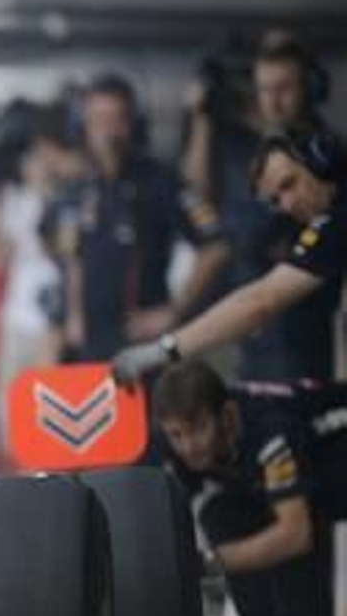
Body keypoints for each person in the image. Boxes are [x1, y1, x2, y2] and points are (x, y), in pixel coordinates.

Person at [151, 359, 346, 616]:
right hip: (313, 470)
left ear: (227, 416)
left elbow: (295, 535)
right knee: (222, 510)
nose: (188, 445)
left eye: (198, 428)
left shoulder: (269, 430)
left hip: (334, 450)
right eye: (176, 434)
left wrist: (207, 563)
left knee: (290, 514)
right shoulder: (180, 451)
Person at [114, 130, 347, 383]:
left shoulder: (337, 222)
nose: (287, 205)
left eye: (289, 183)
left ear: (320, 161)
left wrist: (164, 350)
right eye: (276, 200)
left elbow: (260, 302)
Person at [180, 37, 338, 378]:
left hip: (303, 314)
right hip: (248, 311)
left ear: (309, 89)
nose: (273, 101)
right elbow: (195, 191)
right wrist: (202, 118)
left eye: (284, 88)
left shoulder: (325, 153)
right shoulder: (243, 143)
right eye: (265, 89)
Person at [50, 73, 228, 363]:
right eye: (99, 119)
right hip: (87, 350)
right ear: (84, 125)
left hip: (144, 348)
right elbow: (71, 256)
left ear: (133, 123)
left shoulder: (162, 181)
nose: (108, 130)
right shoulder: (75, 188)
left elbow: (216, 246)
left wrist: (175, 310)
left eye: (116, 119)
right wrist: (72, 316)